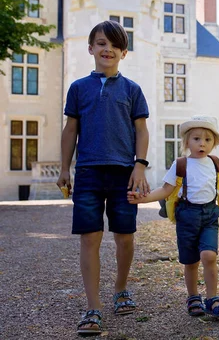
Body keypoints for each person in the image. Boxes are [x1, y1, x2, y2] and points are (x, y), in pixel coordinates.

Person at [56, 20, 151, 336]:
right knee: (90, 238)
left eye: (113, 44)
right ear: (90, 49)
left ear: (123, 52)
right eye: (100, 43)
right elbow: (70, 131)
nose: (106, 48)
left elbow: (141, 130)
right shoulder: (78, 88)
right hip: (87, 173)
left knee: (124, 236)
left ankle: (121, 288)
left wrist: (140, 165)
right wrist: (63, 168)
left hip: (124, 172)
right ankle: (92, 307)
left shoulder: (132, 90)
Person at [127, 115, 219, 318]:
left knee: (209, 255)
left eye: (207, 140)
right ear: (187, 142)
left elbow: (218, 184)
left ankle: (212, 298)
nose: (202, 143)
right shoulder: (181, 164)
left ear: (213, 144)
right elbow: (166, 190)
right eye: (197, 139)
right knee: (191, 262)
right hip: (187, 216)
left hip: (210, 215)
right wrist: (142, 199)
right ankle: (193, 297)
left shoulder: (215, 163)